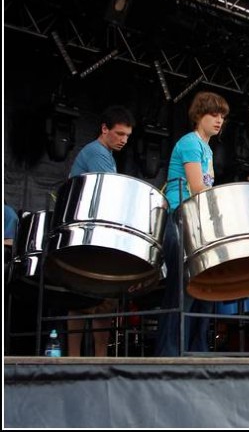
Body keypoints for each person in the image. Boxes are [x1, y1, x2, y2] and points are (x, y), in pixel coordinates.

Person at [155, 91, 229, 356]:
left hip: (197, 220)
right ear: (199, 115)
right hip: (180, 217)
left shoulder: (207, 149)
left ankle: (197, 349)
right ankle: (171, 353)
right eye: (214, 115)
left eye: (222, 116)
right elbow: (197, 187)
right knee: (181, 291)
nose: (219, 120)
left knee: (205, 287)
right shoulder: (190, 143)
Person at [66, 105, 135, 357]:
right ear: (104, 129)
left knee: (101, 299)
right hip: (88, 233)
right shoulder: (97, 152)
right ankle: (81, 359)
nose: (123, 140)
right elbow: (111, 193)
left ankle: (94, 358)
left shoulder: (104, 153)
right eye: (118, 134)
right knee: (86, 299)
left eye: (127, 136)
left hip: (93, 233)